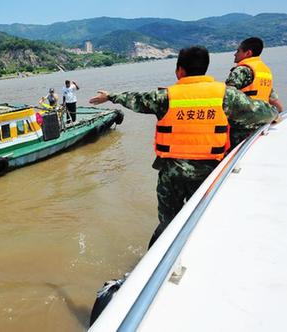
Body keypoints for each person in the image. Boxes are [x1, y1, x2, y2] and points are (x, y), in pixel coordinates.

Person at [89, 46, 277, 247]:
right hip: (210, 173)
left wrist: (109, 96)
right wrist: (276, 112)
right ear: (205, 68)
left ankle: (162, 255)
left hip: (172, 174)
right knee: (205, 219)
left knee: (169, 223)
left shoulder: (164, 97)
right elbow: (265, 113)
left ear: (179, 70)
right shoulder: (225, 95)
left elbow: (133, 99)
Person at [226, 37, 283, 147]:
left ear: (248, 53)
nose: (235, 54)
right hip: (263, 123)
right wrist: (277, 115)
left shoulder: (241, 70)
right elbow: (273, 99)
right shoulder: (264, 71)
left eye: (238, 51)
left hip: (243, 125)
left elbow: (228, 96)